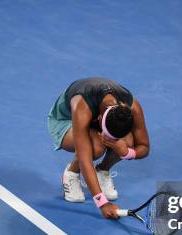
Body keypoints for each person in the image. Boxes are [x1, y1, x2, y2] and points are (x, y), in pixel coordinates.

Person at [47, 77, 150, 219]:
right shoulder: (81, 105)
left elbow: (144, 147)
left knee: (128, 142)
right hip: (65, 121)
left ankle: (102, 170)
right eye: (108, 135)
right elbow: (85, 159)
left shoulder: (133, 107)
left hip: (92, 119)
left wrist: (126, 152)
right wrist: (103, 203)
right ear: (100, 119)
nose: (112, 141)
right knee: (96, 148)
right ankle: (70, 173)